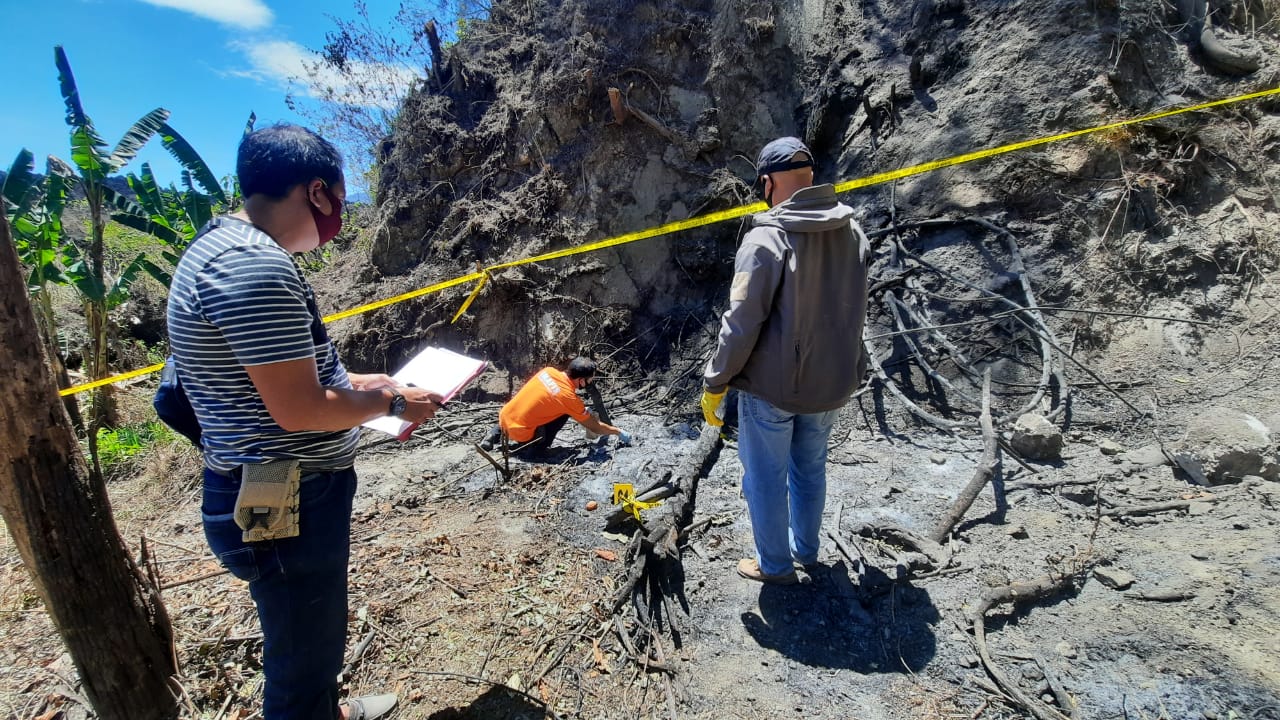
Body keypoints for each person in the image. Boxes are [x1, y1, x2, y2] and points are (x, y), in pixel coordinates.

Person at [167, 124, 443, 720]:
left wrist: (361, 383)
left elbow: (267, 377)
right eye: (339, 199)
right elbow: (298, 409)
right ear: (317, 191)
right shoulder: (254, 267)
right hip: (285, 494)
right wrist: (394, 405)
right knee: (303, 649)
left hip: (268, 483)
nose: (339, 215)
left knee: (306, 631)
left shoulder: (220, 247)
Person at [700, 137, 871, 585]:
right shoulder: (853, 232)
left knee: (765, 479)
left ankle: (774, 566)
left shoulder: (766, 239)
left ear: (767, 183)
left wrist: (716, 381)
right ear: (810, 177)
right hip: (832, 382)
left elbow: (741, 321)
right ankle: (806, 551)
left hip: (773, 389)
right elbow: (858, 309)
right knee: (810, 469)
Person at [481, 357, 631, 457]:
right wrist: (618, 432)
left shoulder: (548, 371)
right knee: (565, 413)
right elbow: (595, 427)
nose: (590, 383)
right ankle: (538, 449)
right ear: (581, 380)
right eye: (590, 379)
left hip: (504, 418)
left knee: (529, 405)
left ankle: (495, 433)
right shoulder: (568, 398)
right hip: (521, 433)